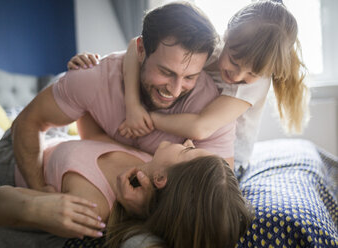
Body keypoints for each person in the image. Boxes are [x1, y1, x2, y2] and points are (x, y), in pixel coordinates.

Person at [0, 1, 236, 216]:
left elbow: (213, 198)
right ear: (140, 50)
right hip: (23, 148)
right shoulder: (93, 78)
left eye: (189, 77)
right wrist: (41, 194)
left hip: (82, 147)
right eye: (165, 72)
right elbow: (29, 122)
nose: (174, 89)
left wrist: (142, 210)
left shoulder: (211, 112)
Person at [68, 0, 310, 171]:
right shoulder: (209, 47)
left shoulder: (254, 85)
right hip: (178, 140)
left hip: (225, 158)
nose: (237, 76)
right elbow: (135, 46)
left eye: (252, 73)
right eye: (234, 61)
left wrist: (146, 118)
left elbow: (201, 128)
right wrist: (132, 105)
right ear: (227, 34)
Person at [0, 134, 253, 248]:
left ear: (161, 179)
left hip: (14, 154)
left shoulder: (92, 206)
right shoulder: (149, 167)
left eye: (188, 150)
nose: (189, 140)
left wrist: (35, 208)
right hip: (57, 138)